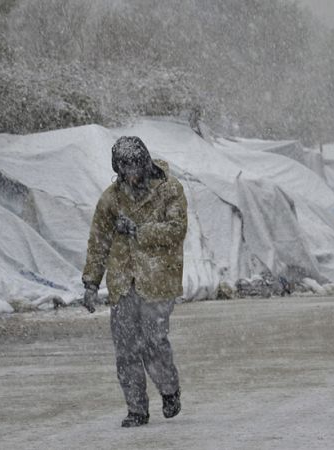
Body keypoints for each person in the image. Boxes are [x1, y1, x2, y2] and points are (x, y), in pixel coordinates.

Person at [81, 136, 188, 427]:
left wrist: (140, 229)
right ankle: (137, 409)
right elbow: (98, 242)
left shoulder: (169, 190)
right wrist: (91, 282)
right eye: (123, 167)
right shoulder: (111, 199)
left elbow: (176, 230)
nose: (129, 173)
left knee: (154, 342)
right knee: (126, 349)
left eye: (133, 165)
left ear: (144, 162)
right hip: (123, 283)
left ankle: (169, 390)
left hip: (158, 280)